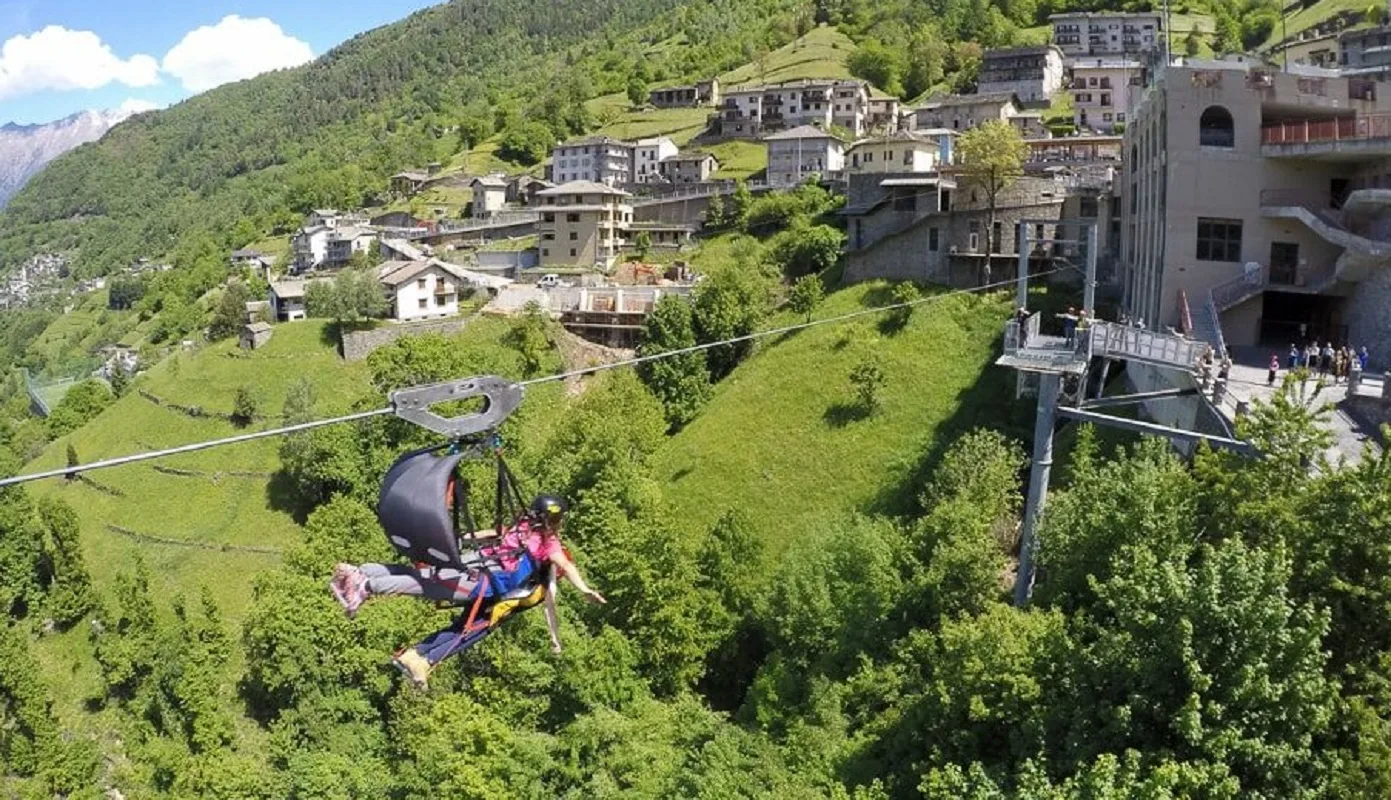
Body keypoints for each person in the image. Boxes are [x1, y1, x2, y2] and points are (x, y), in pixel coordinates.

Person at [331, 495, 605, 684]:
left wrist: (462, 538)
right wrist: (584, 589)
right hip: (478, 583)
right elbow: (565, 568)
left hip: (470, 563)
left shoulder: (521, 526)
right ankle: (367, 584)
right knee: (421, 584)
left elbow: (493, 532)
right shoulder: (549, 545)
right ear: (554, 520)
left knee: (421, 576)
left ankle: (364, 571)